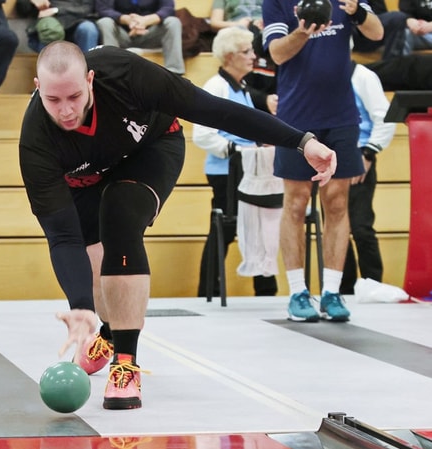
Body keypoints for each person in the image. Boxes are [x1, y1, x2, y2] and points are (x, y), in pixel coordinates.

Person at [19, 41, 336, 409]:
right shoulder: (36, 141)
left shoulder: (125, 74)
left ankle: (126, 363)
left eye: (74, 96)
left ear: (91, 78)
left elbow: (214, 110)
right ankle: (106, 332)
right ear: (38, 87)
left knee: (120, 216)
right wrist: (81, 308)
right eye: (54, 100)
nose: (66, 111)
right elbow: (62, 236)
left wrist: (301, 142)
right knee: (92, 267)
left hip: (149, 149)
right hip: (85, 180)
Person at [262, 0, 383, 322]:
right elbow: (276, 53)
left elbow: (377, 32)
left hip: (341, 117)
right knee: (296, 203)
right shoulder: (277, 3)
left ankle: (332, 292)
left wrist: (357, 11)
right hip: (295, 120)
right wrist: (304, 31)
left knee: (337, 203)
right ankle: (297, 291)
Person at [193, 27, 279, 298]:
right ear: (229, 56)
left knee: (258, 226)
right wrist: (237, 149)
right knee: (225, 229)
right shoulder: (216, 87)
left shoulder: (240, 87)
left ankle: (265, 290)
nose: (254, 56)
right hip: (226, 172)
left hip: (247, 169)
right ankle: (209, 290)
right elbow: (202, 135)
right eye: (247, 52)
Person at [340, 62, 396, 294]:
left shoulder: (362, 76)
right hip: (329, 158)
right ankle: (343, 289)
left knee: (361, 227)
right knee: (335, 229)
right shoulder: (319, 74)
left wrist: (369, 152)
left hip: (359, 155)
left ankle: (373, 286)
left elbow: (385, 116)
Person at [95, 0, 186, 75]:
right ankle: (112, 72)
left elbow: (168, 8)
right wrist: (127, 20)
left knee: (173, 22)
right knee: (105, 22)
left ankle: (175, 72)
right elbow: (103, 9)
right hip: (121, 34)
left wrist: (145, 21)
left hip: (150, 33)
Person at [15, 0, 100, 54]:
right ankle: (52, 79)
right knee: (50, 33)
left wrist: (56, 10)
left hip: (76, 23)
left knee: (88, 29)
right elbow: (22, 9)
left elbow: (86, 9)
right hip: (50, 26)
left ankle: (88, 74)